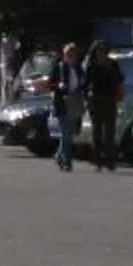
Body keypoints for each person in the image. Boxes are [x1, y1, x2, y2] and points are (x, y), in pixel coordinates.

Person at [83, 41, 125, 172]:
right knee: (97, 130)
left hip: (109, 99)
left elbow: (119, 80)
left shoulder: (113, 64)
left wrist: (120, 92)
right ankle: (97, 160)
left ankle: (110, 160)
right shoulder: (91, 65)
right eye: (98, 50)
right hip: (95, 98)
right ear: (94, 51)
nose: (101, 53)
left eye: (103, 50)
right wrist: (85, 98)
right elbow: (86, 83)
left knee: (110, 130)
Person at [50, 42, 80, 173]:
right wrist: (58, 86)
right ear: (64, 55)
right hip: (62, 103)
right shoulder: (59, 67)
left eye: (73, 54)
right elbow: (51, 84)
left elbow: (83, 82)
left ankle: (59, 155)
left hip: (74, 103)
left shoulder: (78, 68)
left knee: (69, 134)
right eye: (68, 54)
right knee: (65, 134)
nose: (70, 57)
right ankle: (67, 162)